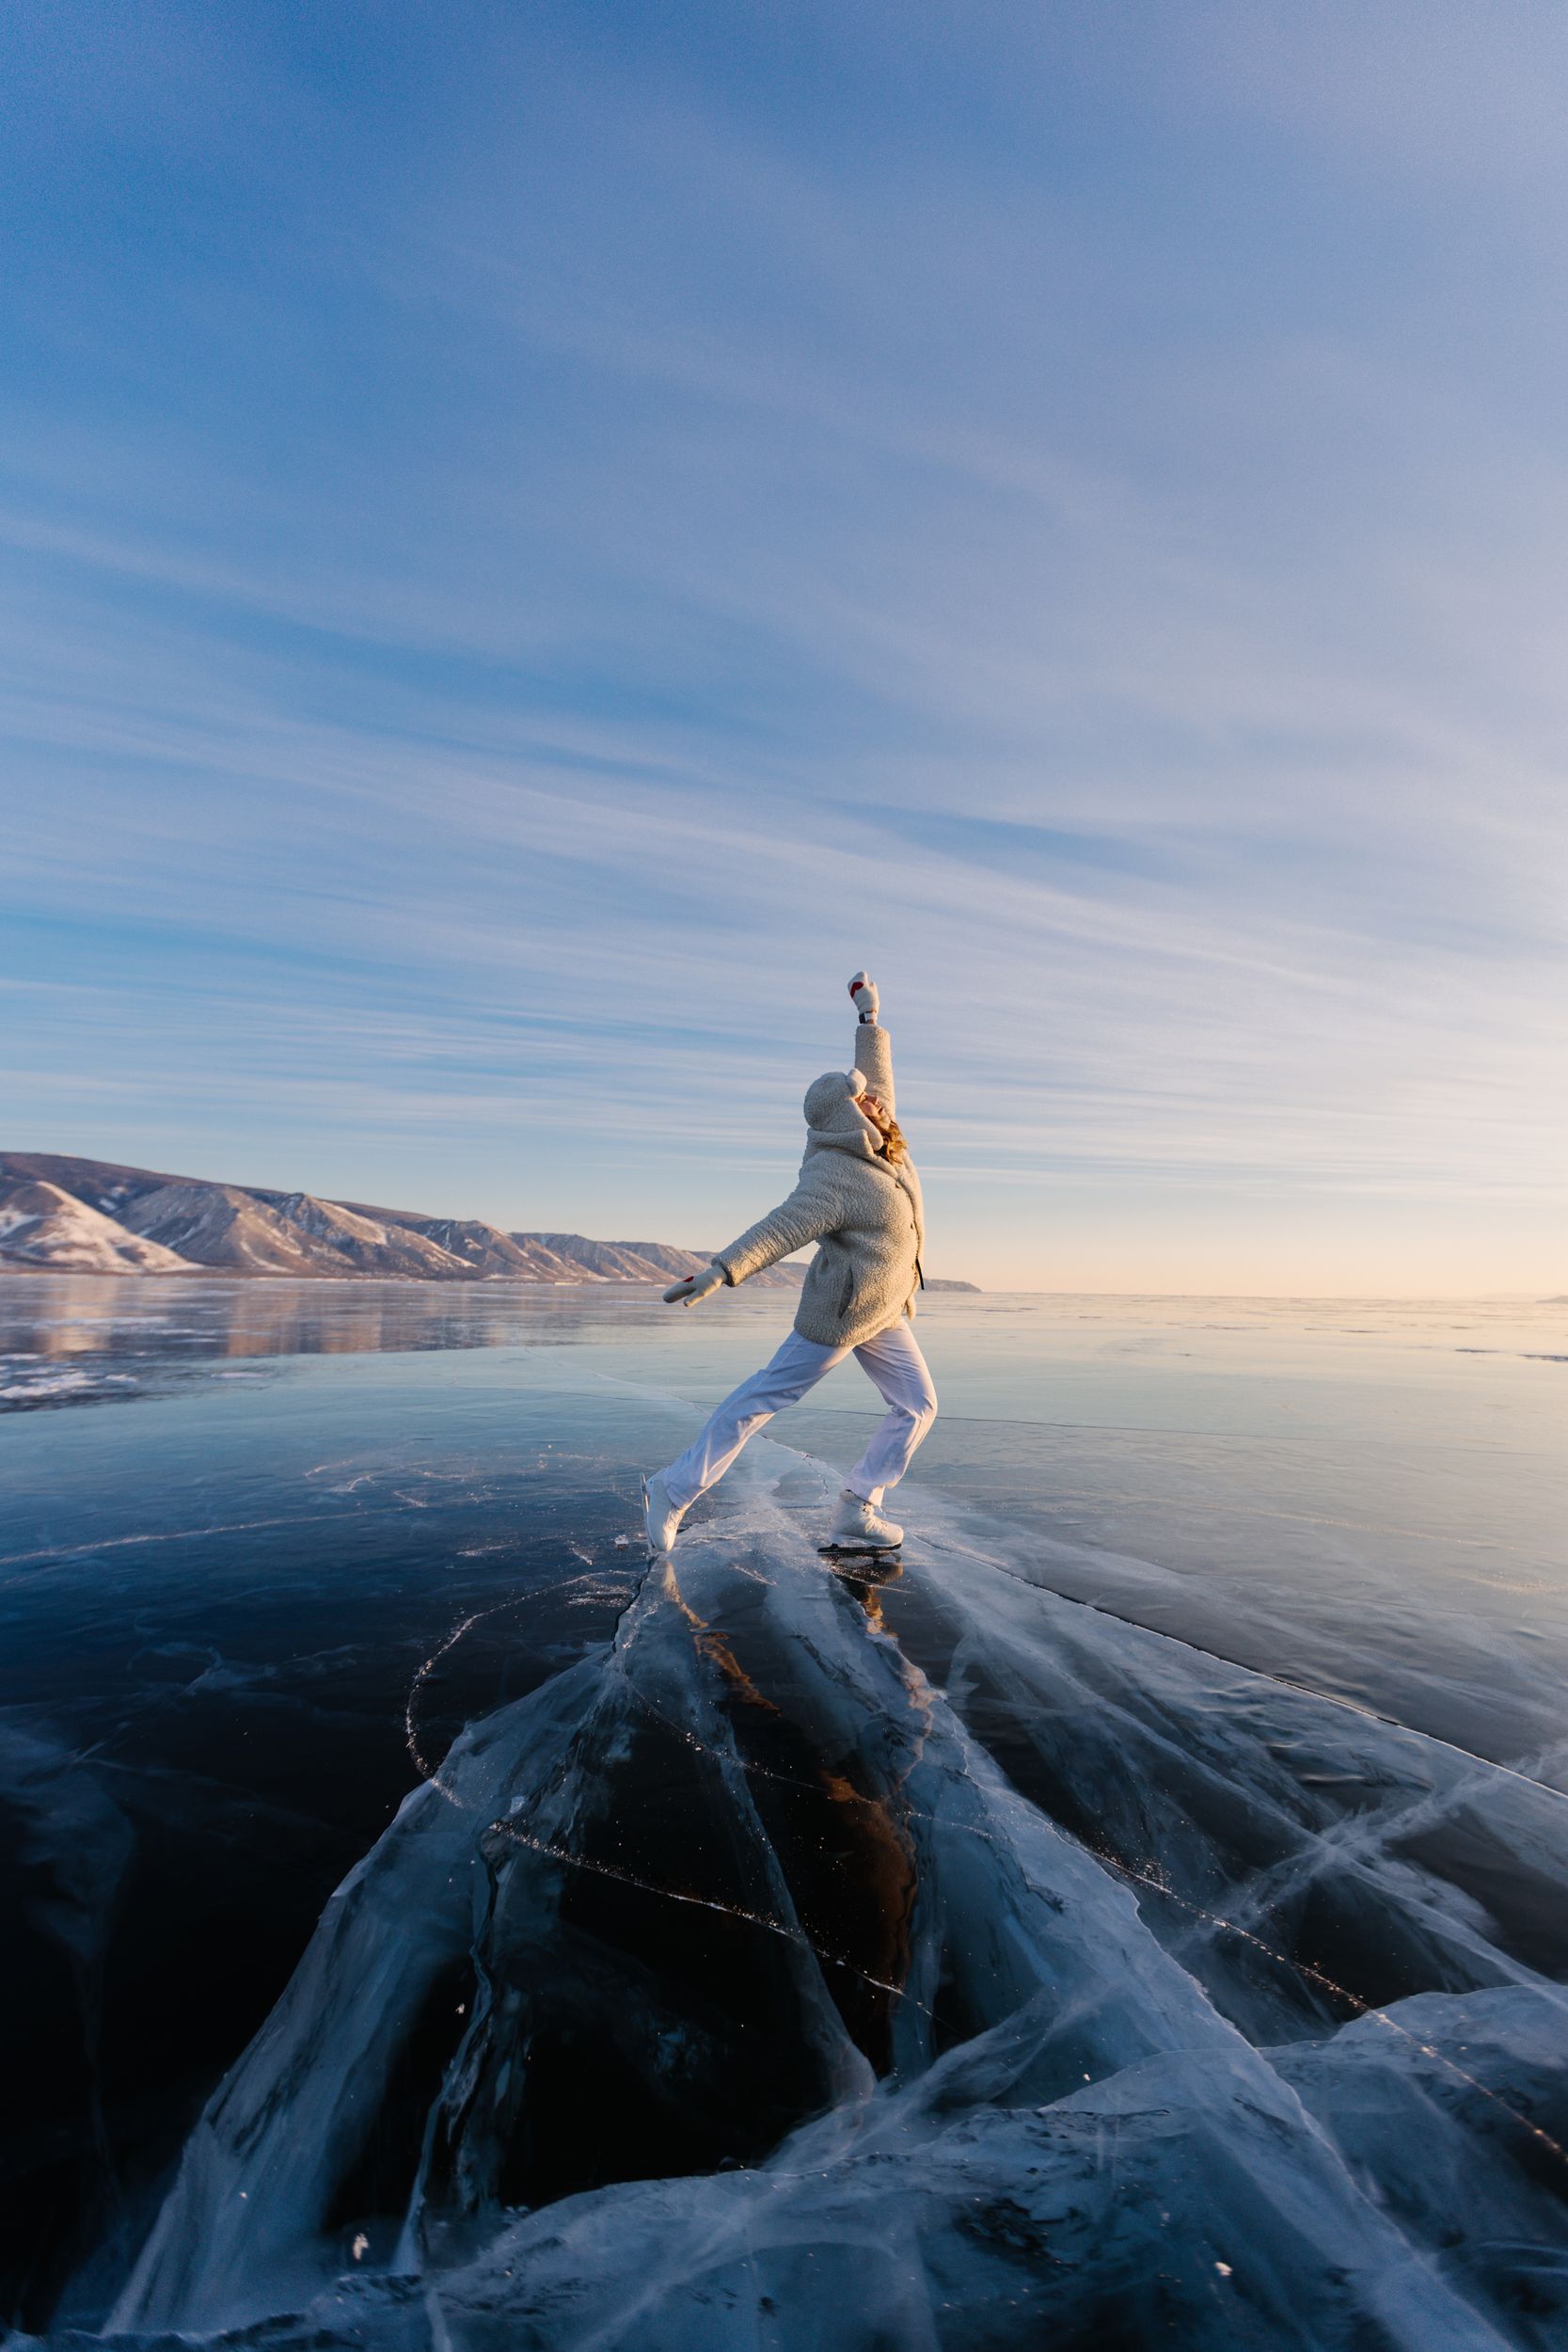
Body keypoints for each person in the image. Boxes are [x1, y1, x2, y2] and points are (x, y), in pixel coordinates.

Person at [642, 971, 938, 1556]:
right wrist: (721, 1270)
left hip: (883, 1309)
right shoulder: (834, 1173)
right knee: (763, 1399)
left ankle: (857, 1509)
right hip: (840, 1311)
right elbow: (780, 1228)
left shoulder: (881, 1140)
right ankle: (670, 1490)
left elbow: (876, 1075)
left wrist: (869, 1019)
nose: (878, 1101)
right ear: (846, 1117)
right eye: (865, 1100)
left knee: (917, 1405)